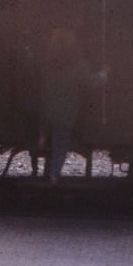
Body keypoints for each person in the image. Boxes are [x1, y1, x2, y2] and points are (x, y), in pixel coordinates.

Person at [37, 26, 107, 184]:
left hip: (46, 110)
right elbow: (93, 82)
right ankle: (54, 175)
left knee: (48, 127)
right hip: (66, 114)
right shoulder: (78, 65)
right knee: (60, 146)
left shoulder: (46, 63)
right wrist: (105, 73)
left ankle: (42, 137)